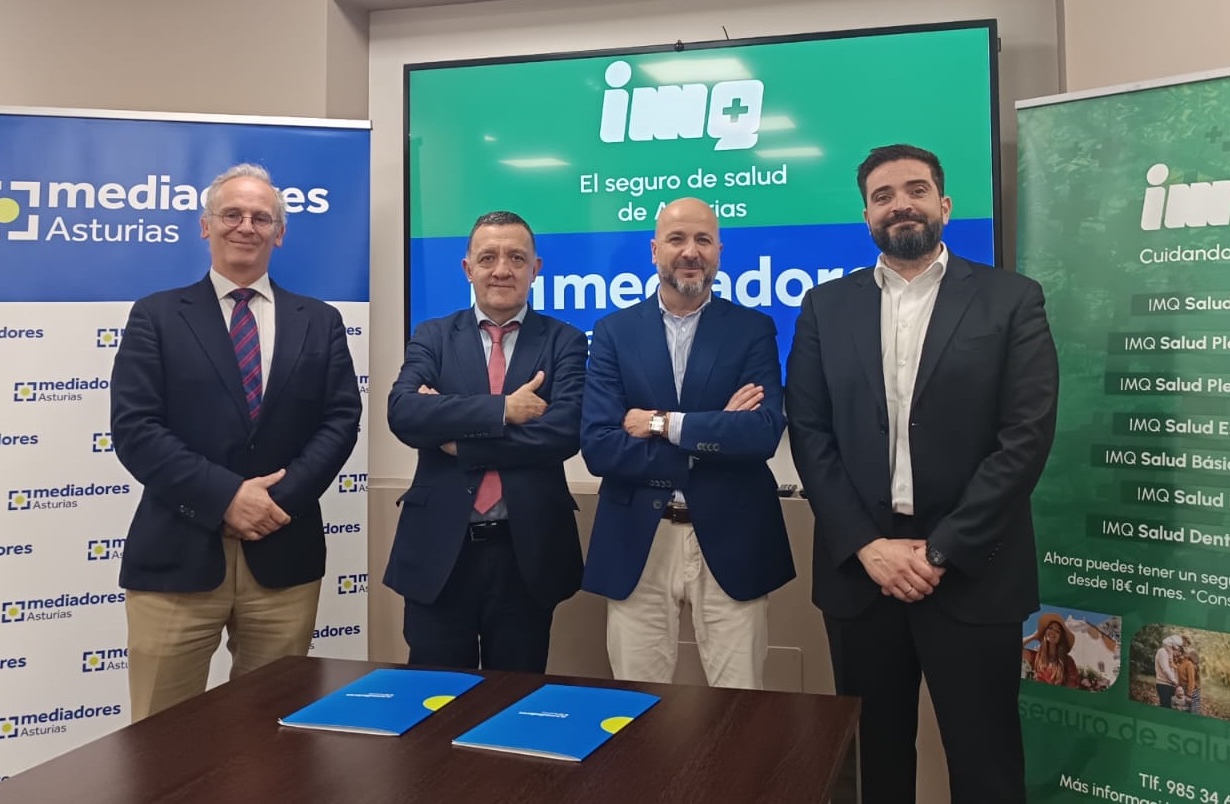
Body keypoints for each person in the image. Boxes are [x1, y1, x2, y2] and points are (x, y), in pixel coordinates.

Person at [786, 143, 1059, 803]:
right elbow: (811, 434)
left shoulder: (1011, 300)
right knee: (871, 766)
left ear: (945, 204)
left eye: (915, 189)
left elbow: (1025, 438)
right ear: (866, 215)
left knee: (986, 765)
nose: (899, 204)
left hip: (973, 571)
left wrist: (941, 551)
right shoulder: (825, 307)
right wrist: (868, 546)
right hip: (862, 575)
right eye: (882, 196)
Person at [110, 163, 362, 722]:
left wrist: (274, 502)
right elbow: (135, 428)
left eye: (261, 217)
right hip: (177, 558)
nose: (246, 226)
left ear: (280, 232)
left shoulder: (320, 321)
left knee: (272, 735)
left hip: (284, 554)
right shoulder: (156, 316)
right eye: (232, 214)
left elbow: (341, 420)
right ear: (206, 226)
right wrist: (226, 497)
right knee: (160, 738)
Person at [581, 197, 793, 690]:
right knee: (636, 703)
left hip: (733, 534)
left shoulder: (753, 330)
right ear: (655, 250)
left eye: (703, 240)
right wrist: (715, 433)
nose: (690, 251)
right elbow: (600, 446)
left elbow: (762, 433)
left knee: (740, 702)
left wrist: (663, 424)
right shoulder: (613, 332)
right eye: (676, 239)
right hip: (639, 538)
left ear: (719, 250)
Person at [383, 211, 586, 672]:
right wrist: (504, 410)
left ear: (535, 269)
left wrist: (459, 441)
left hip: (526, 552)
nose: (502, 270)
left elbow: (563, 432)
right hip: (439, 551)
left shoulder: (565, 341)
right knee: (435, 698)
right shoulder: (433, 335)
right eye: (488, 257)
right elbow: (405, 413)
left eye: (516, 258)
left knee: (516, 696)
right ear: (468, 268)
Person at [1022, 612, 1079, 689]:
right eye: (1050, 628)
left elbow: (1072, 687)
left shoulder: (1068, 660)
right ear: (1045, 632)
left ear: (1061, 638)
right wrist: (1034, 636)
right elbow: (1014, 649)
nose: (1053, 632)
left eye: (1057, 631)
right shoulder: (1037, 657)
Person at [1155, 635, 1183, 708]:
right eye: (1176, 647)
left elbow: (1172, 669)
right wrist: (1174, 680)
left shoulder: (1169, 653)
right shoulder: (1162, 652)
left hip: (1170, 685)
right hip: (1164, 684)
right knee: (1166, 706)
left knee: (1170, 707)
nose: (1176, 649)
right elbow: (1165, 669)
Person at [1176, 644, 1201, 715]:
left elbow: (1191, 681)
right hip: (1183, 690)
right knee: (1184, 711)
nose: (1178, 654)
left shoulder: (1189, 664)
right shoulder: (1180, 663)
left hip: (1192, 691)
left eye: (1182, 652)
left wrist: (1189, 694)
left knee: (1193, 712)